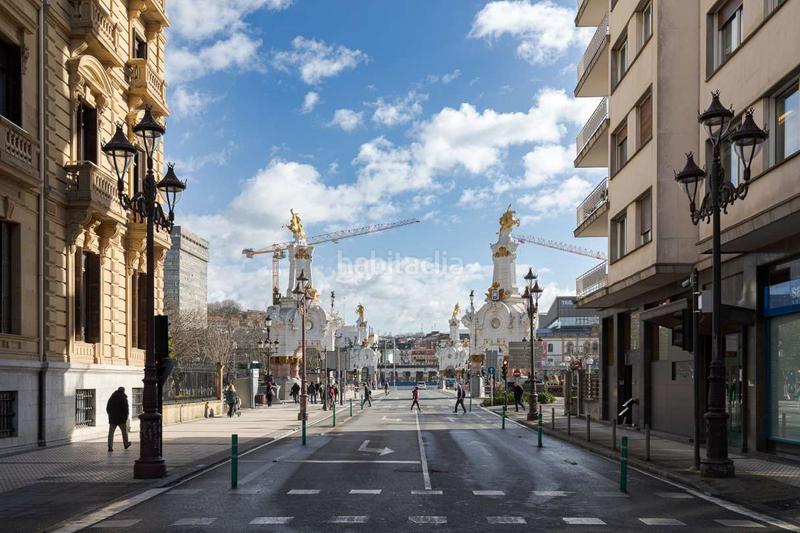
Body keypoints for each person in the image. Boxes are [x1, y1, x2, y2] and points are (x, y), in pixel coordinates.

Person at [106, 387, 131, 452]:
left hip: (113, 419)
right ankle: (126, 444)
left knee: (111, 433)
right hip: (121, 419)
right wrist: (126, 417)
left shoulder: (112, 398)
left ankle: (110, 447)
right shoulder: (123, 398)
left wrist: (110, 415)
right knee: (124, 432)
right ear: (123, 391)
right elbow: (126, 409)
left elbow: (107, 408)